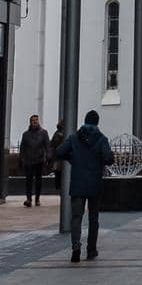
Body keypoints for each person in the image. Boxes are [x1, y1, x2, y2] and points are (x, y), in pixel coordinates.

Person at [55, 110, 114, 263]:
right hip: (94, 183)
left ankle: (76, 248)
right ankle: (91, 249)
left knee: (76, 217)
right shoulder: (101, 139)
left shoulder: (74, 138)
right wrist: (100, 160)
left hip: (78, 183)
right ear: (97, 122)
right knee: (94, 219)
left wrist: (72, 159)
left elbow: (59, 152)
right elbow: (109, 158)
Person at [18, 114, 52, 208]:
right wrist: (21, 159)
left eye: (36, 120)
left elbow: (47, 145)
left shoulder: (44, 133)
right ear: (30, 122)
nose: (35, 122)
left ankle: (37, 199)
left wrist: (48, 156)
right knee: (28, 180)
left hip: (39, 160)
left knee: (38, 181)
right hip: (28, 161)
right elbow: (22, 148)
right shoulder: (26, 134)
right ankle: (29, 199)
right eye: (33, 120)